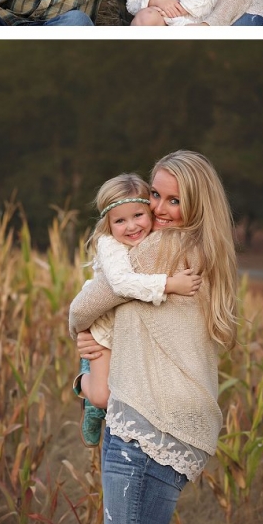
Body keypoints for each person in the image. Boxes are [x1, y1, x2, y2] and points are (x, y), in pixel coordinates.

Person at [69, 151, 238, 524]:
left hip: (147, 421)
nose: (159, 210)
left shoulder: (161, 248)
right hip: (176, 420)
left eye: (174, 201)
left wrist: (84, 342)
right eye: (155, 196)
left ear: (197, 204)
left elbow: (82, 306)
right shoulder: (207, 250)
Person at [74, 173, 202, 446]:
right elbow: (121, 284)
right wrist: (170, 284)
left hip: (128, 330)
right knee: (102, 396)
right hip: (104, 325)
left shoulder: (156, 237)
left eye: (138, 216)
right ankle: (84, 384)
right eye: (120, 221)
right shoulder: (109, 245)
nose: (131, 226)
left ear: (149, 212)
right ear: (108, 224)